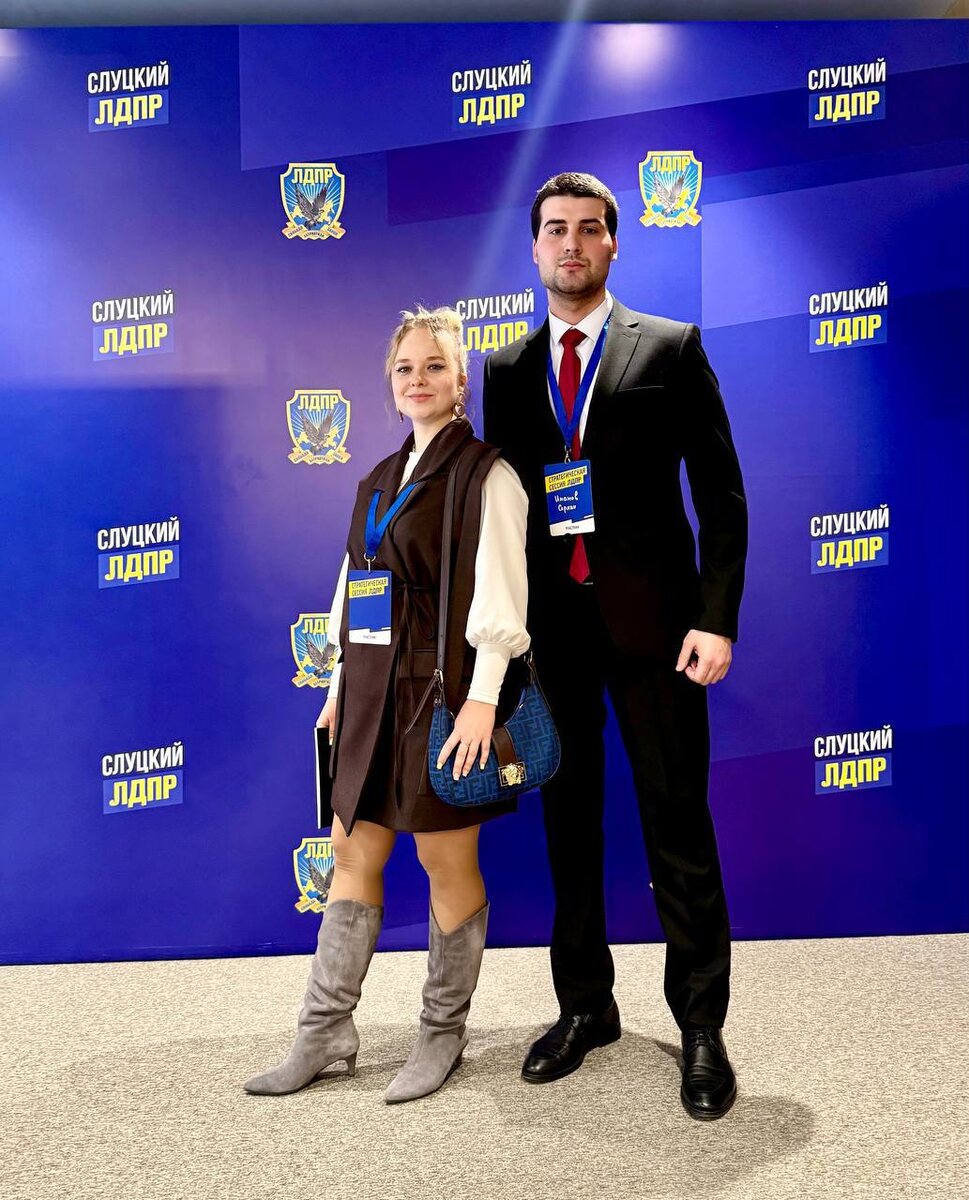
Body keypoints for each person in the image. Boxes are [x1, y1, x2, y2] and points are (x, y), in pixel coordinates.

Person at [482, 173, 747, 1120]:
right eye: (555, 230)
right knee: (569, 827)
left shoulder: (669, 346)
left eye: (588, 229)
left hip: (659, 635)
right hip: (553, 641)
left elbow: (720, 494)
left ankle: (701, 1026)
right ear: (534, 247)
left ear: (612, 244)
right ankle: (584, 1007)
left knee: (677, 826)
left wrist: (715, 618)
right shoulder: (505, 368)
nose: (571, 244)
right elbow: (506, 515)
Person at [245, 306, 530, 1104]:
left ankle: (442, 1034)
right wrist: (339, 687)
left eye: (434, 366)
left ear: (460, 380)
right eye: (405, 368)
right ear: (390, 383)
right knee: (350, 852)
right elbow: (355, 588)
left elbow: (503, 596)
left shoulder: (488, 475)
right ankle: (324, 1032)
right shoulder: (376, 478)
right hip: (371, 693)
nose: (417, 379)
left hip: (445, 694)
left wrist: (481, 702)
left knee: (445, 858)